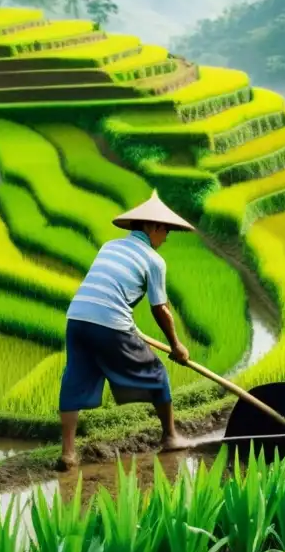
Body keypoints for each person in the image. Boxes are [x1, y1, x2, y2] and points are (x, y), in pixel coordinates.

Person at [56, 190, 194, 471]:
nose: (165, 238)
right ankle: (170, 436)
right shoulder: (155, 261)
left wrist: (129, 327)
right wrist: (177, 345)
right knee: (156, 372)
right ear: (153, 227)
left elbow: (107, 291)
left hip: (77, 319)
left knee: (75, 378)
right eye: (165, 231)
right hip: (109, 323)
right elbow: (161, 309)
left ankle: (68, 453)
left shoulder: (109, 246)